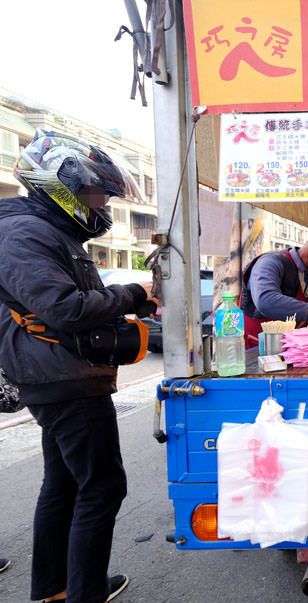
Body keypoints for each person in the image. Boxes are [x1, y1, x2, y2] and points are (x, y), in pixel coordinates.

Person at [0, 131, 156, 602]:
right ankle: (83, 594)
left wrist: (128, 304)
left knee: (64, 483)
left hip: (57, 375)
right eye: (95, 194)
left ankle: (54, 588)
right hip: (62, 379)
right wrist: (131, 295)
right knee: (103, 488)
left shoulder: (43, 228)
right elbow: (64, 307)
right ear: (60, 185)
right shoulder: (25, 231)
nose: (100, 204)